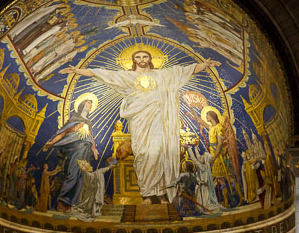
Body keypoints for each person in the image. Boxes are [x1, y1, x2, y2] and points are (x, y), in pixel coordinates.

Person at [60, 51, 220, 205]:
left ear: (150, 58)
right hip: (139, 121)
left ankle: (162, 193)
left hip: (158, 120)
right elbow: (103, 74)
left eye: (145, 56)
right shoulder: (127, 76)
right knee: (142, 154)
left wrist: (204, 65)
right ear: (134, 60)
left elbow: (186, 71)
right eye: (138, 57)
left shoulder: (163, 75)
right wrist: (77, 71)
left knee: (159, 153)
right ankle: (148, 194)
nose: (142, 59)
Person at [43, 98, 98, 212]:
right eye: (88, 103)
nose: (90, 105)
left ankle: (73, 204)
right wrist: (52, 142)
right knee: (73, 173)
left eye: (91, 104)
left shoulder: (88, 122)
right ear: (82, 104)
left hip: (85, 150)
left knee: (81, 176)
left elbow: (90, 136)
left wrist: (94, 148)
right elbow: (64, 132)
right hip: (75, 148)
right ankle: (62, 201)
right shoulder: (75, 118)